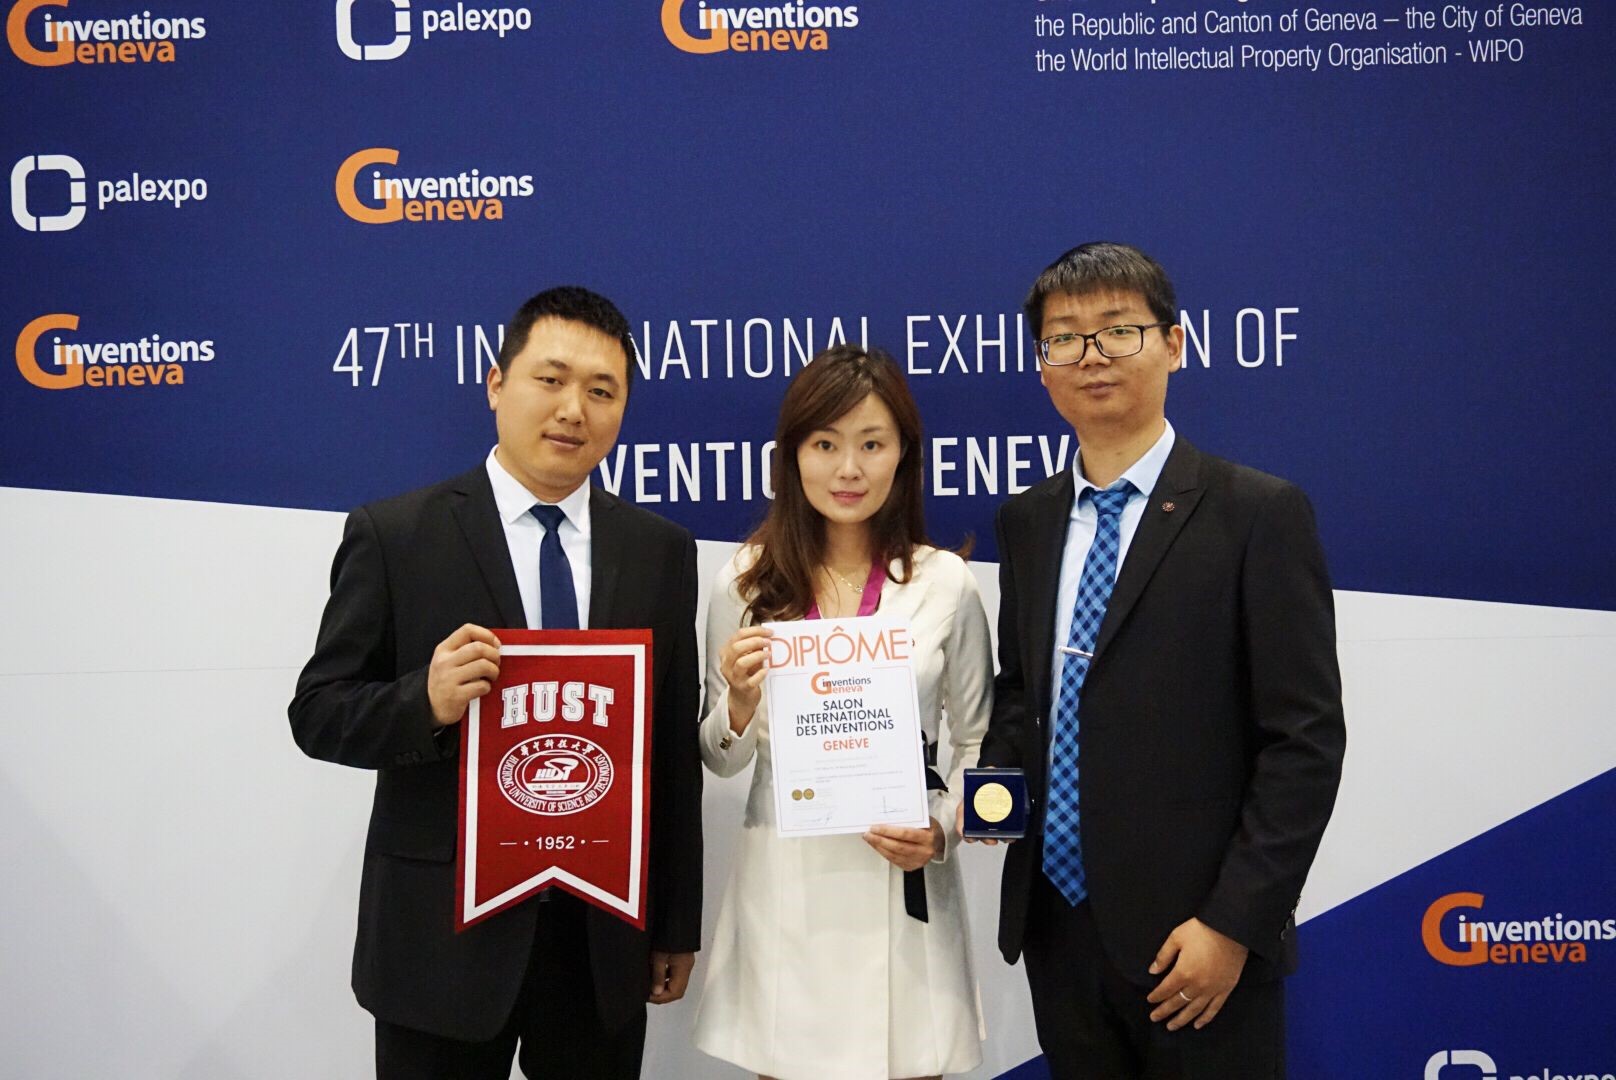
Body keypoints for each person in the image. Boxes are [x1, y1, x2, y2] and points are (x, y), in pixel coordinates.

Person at [288, 286, 702, 1079]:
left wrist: (675, 922)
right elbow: (318, 711)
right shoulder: (397, 534)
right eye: (551, 379)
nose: (573, 410)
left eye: (602, 391)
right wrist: (425, 701)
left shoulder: (659, 551)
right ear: (496, 384)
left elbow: (671, 753)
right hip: (440, 946)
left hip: (597, 942)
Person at [970, 243, 1346, 1078]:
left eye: (1118, 330)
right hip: (1058, 929)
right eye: (1065, 337)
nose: (1091, 355)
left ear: (1173, 344)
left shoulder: (1257, 514)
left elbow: (1305, 741)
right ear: (1042, 366)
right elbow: (1026, 691)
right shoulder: (1026, 522)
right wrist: (988, 796)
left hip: (1197, 942)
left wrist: (1234, 924)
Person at [692, 345, 993, 1080]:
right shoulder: (744, 582)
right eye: (825, 445)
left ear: (903, 455)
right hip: (787, 890)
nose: (848, 469)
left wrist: (941, 831)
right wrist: (739, 701)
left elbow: (980, 742)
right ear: (792, 456)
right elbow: (719, 757)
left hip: (902, 884)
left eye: (871, 444)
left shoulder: (945, 583)